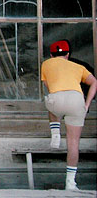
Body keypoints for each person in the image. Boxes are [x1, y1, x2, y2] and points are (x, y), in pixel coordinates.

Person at [41, 40, 96, 191]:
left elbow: (48, 85)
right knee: (73, 144)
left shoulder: (46, 64)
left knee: (50, 101)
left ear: (52, 55)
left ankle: (55, 134)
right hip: (77, 100)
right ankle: (71, 183)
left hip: (57, 99)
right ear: (68, 54)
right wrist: (86, 104)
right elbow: (94, 82)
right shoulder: (79, 67)